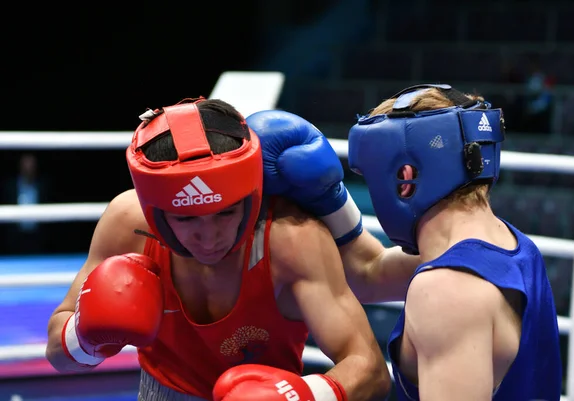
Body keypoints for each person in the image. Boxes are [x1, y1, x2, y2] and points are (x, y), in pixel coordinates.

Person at [45, 97, 392, 401]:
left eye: (226, 213)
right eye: (187, 219)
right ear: (155, 211)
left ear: (251, 197)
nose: (209, 238)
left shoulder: (291, 240)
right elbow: (57, 354)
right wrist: (85, 337)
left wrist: (298, 395)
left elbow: (370, 369)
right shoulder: (127, 223)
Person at [247, 83, 562, 401]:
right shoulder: (511, 248)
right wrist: (328, 198)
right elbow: (368, 274)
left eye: (370, 178)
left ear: (405, 178)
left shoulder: (447, 290)